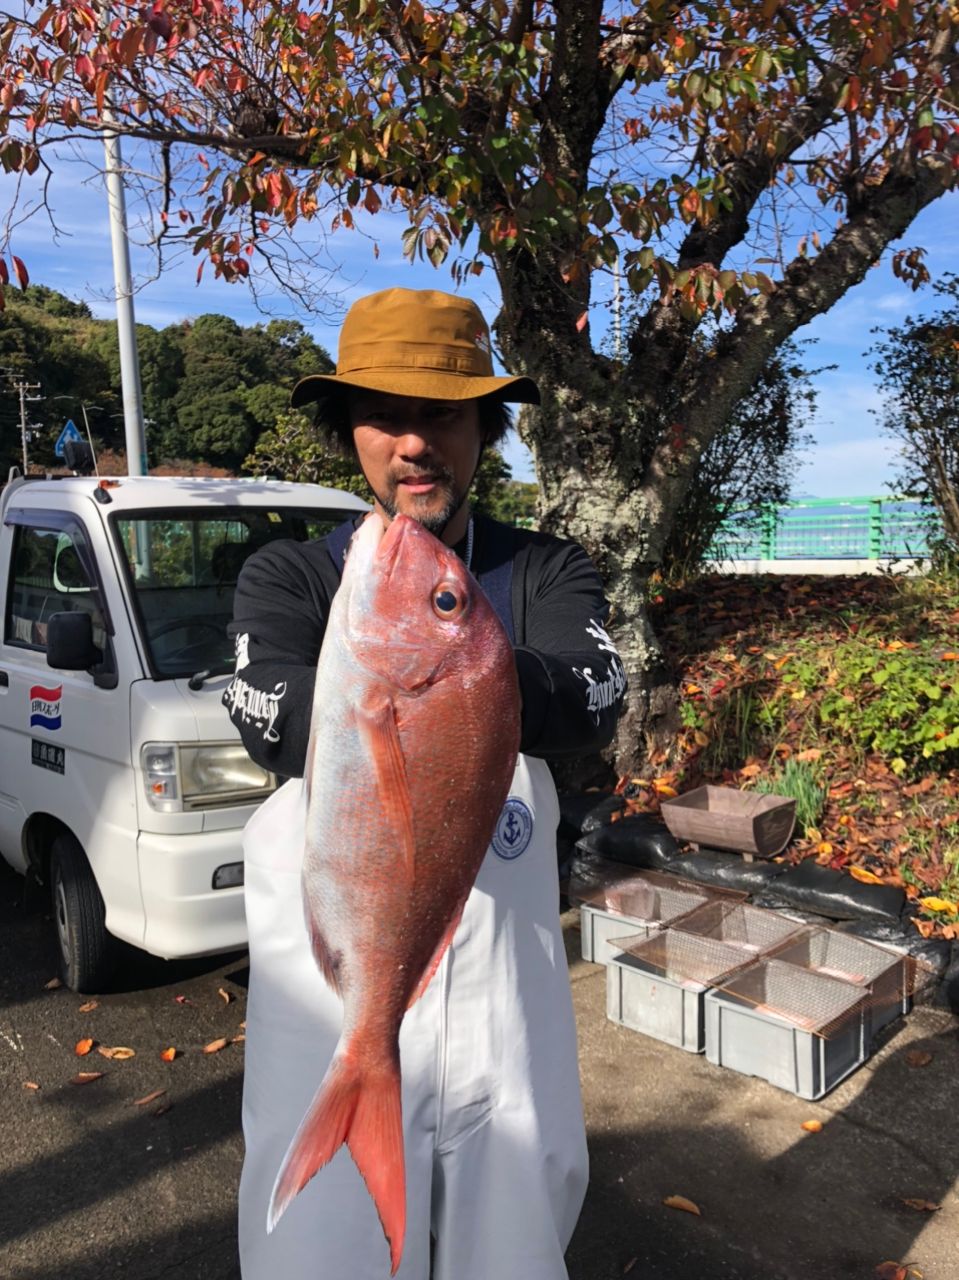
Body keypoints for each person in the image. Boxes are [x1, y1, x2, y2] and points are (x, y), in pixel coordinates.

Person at [226, 287, 627, 1280]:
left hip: (504, 997)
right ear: (346, 431)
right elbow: (263, 706)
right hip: (333, 992)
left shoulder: (546, 569)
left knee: (517, 1234)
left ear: (484, 426)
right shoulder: (290, 576)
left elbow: (596, 688)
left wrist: (469, 680)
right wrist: (410, 684)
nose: (414, 442)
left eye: (443, 412)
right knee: (311, 1245)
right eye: (384, 414)